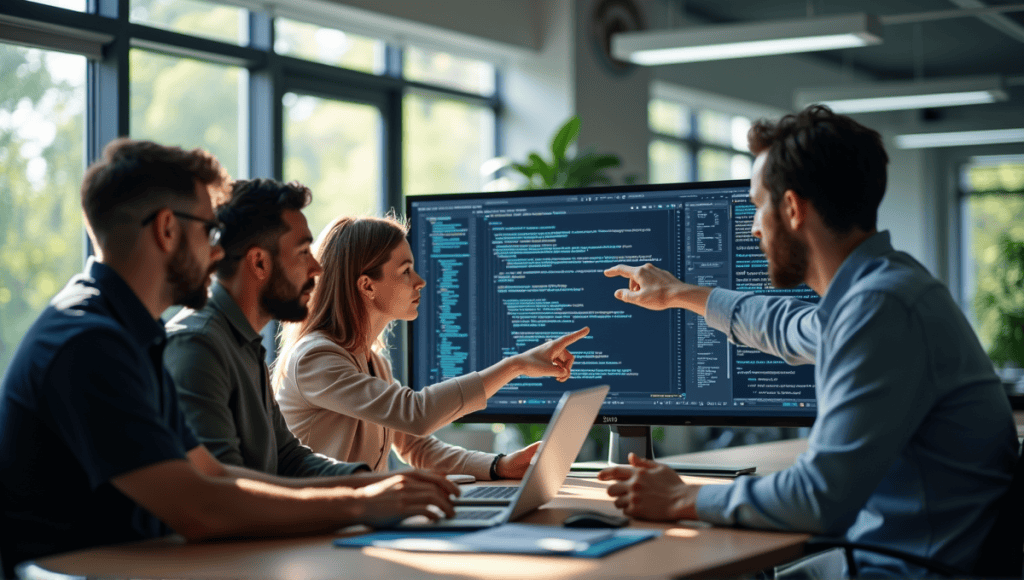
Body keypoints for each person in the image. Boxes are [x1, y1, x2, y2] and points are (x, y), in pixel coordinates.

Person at [0, 139, 457, 578]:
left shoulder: (133, 336)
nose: (218, 251)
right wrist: (362, 503)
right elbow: (200, 508)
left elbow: (212, 474)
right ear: (166, 229)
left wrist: (367, 486)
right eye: (208, 230)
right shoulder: (90, 343)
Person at [598, 105, 1017, 577]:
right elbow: (784, 324)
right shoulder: (882, 287)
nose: (755, 226)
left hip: (909, 568)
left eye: (759, 205)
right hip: (891, 552)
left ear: (793, 209)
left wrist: (680, 496)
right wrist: (678, 294)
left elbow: (820, 498)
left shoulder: (880, 307)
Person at [273, 215, 589, 480]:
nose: (420, 281)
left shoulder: (372, 361)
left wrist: (498, 466)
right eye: (405, 271)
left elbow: (415, 446)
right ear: (367, 286)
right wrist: (515, 366)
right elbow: (416, 413)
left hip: (355, 519)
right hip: (319, 530)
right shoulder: (316, 358)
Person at [164, 177, 371, 478]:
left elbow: (287, 456)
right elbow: (226, 491)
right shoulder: (197, 346)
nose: (317, 268)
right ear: (259, 262)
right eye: (303, 252)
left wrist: (369, 483)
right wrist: (366, 499)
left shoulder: (242, 343)